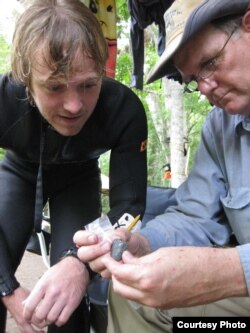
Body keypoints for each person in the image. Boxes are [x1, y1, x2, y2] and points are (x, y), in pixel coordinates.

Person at [74, 0, 250, 332]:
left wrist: (225, 273)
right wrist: (142, 244)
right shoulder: (220, 128)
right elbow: (196, 218)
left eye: (210, 62)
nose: (205, 88)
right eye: (194, 78)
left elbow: (224, 272)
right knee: (132, 294)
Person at [0, 0, 147, 332]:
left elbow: (130, 205)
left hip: (79, 177)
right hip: (19, 172)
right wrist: (8, 288)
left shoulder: (123, 109)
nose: (74, 105)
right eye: (54, 87)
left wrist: (78, 264)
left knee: (69, 302)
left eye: (88, 84)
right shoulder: (4, 100)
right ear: (26, 79)